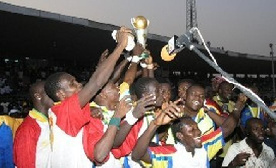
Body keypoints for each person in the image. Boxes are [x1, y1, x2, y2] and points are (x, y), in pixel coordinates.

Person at [44, 27, 133, 167]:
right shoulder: (64, 111)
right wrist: (121, 45)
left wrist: (100, 68)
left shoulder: (59, 112)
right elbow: (96, 83)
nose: (79, 85)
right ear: (61, 94)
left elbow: (98, 84)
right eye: (72, 84)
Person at [131, 93, 246, 168]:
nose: (198, 132)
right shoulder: (169, 154)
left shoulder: (205, 146)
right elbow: (137, 155)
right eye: (191, 130)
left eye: (197, 128)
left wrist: (238, 106)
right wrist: (154, 124)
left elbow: (227, 128)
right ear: (180, 136)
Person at [14, 81, 54, 168]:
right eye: (50, 93)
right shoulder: (29, 127)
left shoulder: (52, 120)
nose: (55, 95)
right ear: (38, 96)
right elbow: (24, 164)